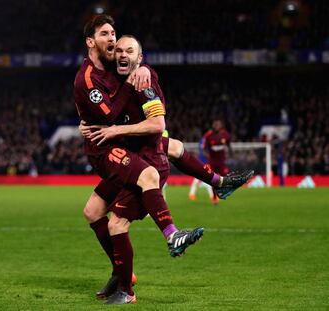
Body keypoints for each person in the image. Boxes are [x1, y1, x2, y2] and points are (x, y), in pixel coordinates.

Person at [75, 15, 253, 304]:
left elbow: (157, 125)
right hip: (123, 152)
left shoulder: (143, 80)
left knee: (120, 218)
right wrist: (85, 121)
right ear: (91, 41)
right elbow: (111, 112)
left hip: (134, 159)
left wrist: (141, 71)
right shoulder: (102, 74)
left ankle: (159, 250)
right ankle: (217, 183)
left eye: (119, 41)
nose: (115, 45)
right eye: (109, 38)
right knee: (93, 211)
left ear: (140, 56)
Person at [189, 119, 233, 204]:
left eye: (218, 125)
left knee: (222, 179)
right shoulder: (208, 136)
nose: (216, 127)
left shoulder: (225, 135)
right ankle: (213, 197)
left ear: (221, 126)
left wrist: (231, 153)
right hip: (211, 162)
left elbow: (228, 144)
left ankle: (218, 194)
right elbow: (204, 149)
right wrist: (207, 156)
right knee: (210, 180)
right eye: (215, 125)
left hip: (222, 162)